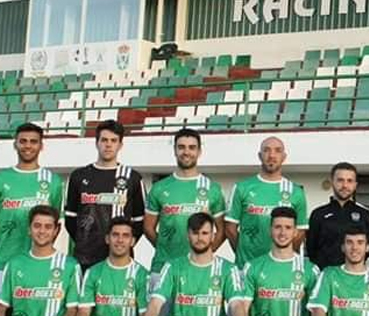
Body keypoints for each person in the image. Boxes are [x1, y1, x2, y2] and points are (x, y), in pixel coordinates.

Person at [0, 123, 64, 308]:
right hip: (3, 260)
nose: (28, 146)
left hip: (39, 263)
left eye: (33, 141)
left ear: (41, 145)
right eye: (23, 141)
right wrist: (8, 240)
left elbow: (56, 224)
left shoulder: (53, 182)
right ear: (15, 144)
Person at [144, 128, 227, 288]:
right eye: (181, 147)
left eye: (191, 147)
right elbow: (148, 227)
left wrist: (204, 252)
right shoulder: (159, 188)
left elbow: (222, 230)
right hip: (162, 267)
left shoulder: (212, 189)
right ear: (175, 150)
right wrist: (165, 246)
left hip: (199, 268)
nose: (186, 152)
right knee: (158, 312)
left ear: (199, 151)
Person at [64, 120, 146, 271]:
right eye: (104, 140)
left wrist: (122, 244)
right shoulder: (78, 176)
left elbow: (139, 222)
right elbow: (70, 220)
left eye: (113, 141)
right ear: (97, 143)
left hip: (119, 260)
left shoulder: (132, 178)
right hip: (85, 258)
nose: (108, 145)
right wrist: (85, 240)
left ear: (120, 145)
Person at [225, 136, 308, 266]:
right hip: (246, 266)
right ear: (259, 155)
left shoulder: (296, 191)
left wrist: (284, 254)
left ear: (284, 157)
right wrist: (244, 252)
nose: (272, 155)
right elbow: (230, 229)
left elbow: (300, 232)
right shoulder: (242, 188)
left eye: (277, 151)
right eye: (267, 150)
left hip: (280, 268)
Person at [306, 162, 369, 270]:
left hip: (354, 277)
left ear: (355, 185)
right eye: (340, 180)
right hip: (325, 276)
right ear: (332, 182)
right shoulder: (318, 214)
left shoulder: (366, 215)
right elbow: (310, 249)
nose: (345, 185)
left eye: (349, 181)